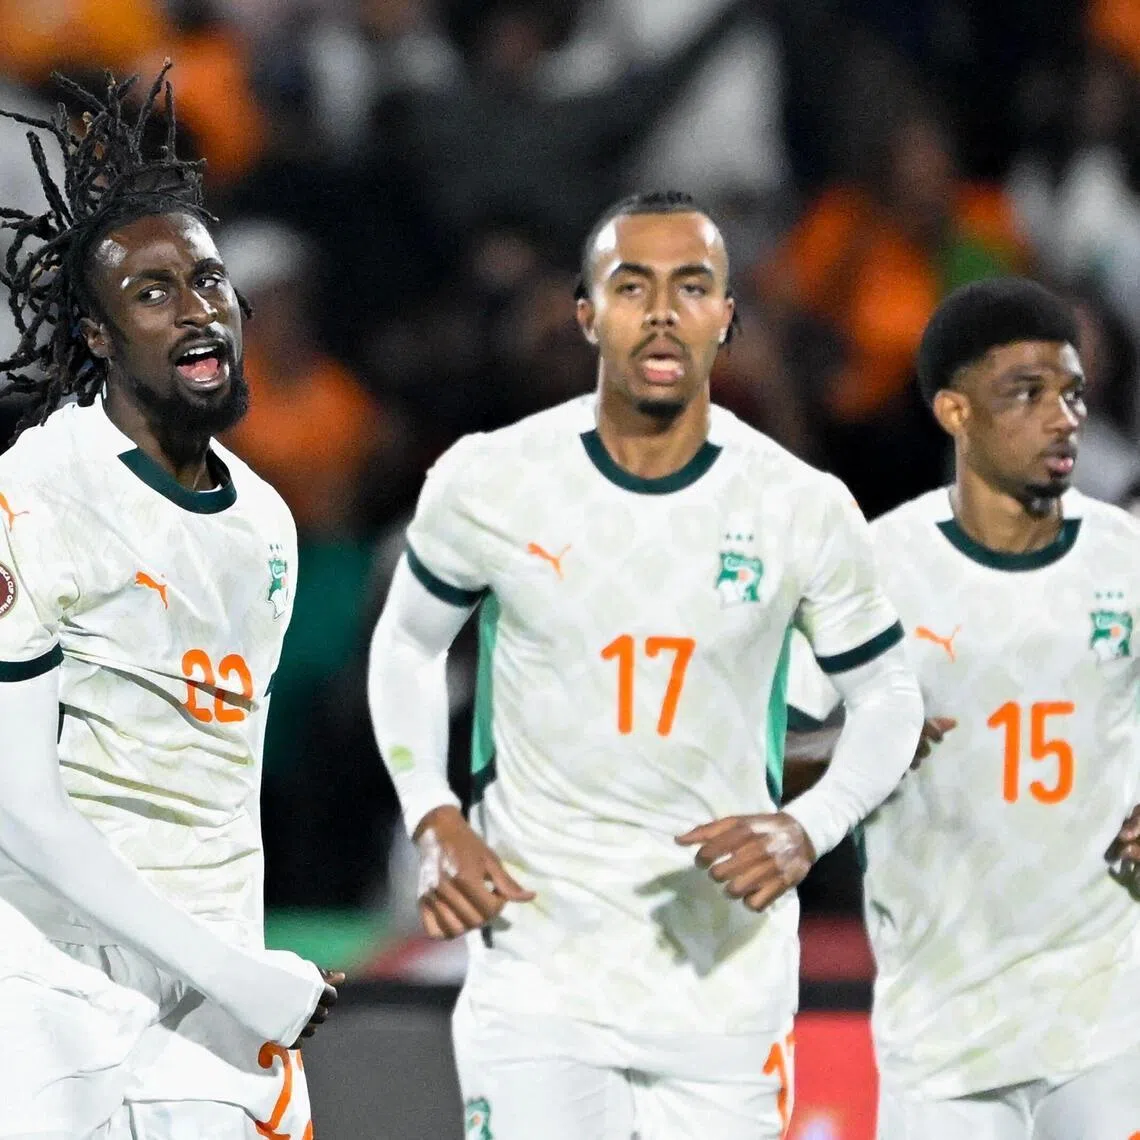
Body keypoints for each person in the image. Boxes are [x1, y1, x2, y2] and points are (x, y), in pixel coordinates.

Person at [367, 189, 923, 1140]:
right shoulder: (493, 479)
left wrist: (808, 828)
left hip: (723, 985)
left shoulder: (800, 504)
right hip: (540, 970)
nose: (662, 310)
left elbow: (889, 695)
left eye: (692, 285)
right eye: (633, 286)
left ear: (727, 317)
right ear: (587, 315)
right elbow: (409, 643)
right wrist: (432, 813)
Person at [0, 67, 339, 1139]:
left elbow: (218, 791)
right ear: (96, 338)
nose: (198, 310)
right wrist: (236, 972)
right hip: (45, 996)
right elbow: (18, 811)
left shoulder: (266, 527)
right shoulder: (32, 500)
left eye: (207, 280)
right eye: (152, 294)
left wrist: (238, 976)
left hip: (211, 1006)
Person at [786, 277, 1140, 1139]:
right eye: (1026, 393)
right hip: (942, 1034)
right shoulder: (879, 567)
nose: (1062, 418)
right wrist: (865, 756)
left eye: (1072, 393)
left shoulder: (1126, 556)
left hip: (1105, 1025)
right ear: (954, 411)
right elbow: (762, 740)